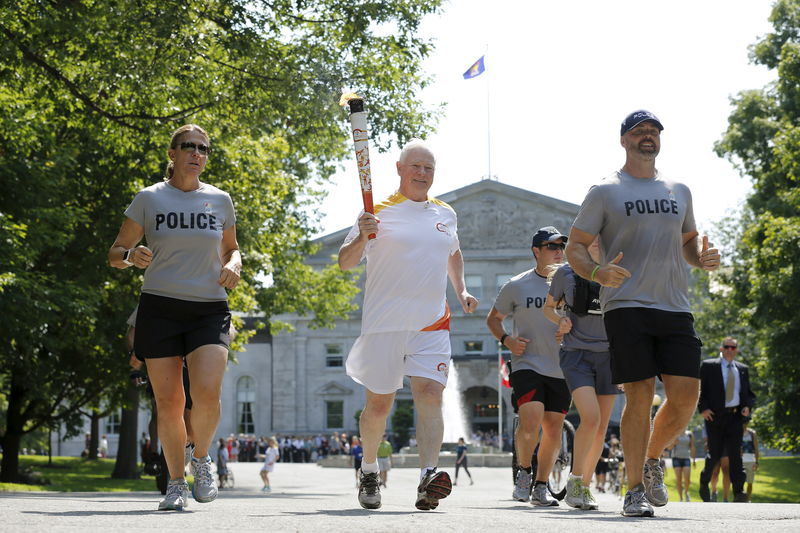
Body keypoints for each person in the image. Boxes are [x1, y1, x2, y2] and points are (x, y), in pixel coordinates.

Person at [565, 110, 721, 517]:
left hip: (674, 304)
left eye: (653, 131)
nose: (647, 137)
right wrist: (597, 272)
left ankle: (651, 460)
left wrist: (700, 258)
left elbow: (688, 241)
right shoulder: (605, 191)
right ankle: (634, 490)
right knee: (638, 396)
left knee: (686, 397)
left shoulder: (679, 190)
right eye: (639, 131)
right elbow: (575, 247)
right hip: (626, 305)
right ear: (624, 140)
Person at [338, 139, 478, 511]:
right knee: (379, 407)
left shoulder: (446, 213)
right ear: (399, 169)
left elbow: (454, 251)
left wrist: (461, 288)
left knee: (431, 395)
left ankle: (427, 476)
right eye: (415, 166)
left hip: (432, 322)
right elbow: (344, 262)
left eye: (428, 168)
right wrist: (363, 234)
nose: (421, 173)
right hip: (384, 324)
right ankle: (369, 469)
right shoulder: (377, 211)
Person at [108, 124, 241, 511]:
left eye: (204, 148)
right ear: (173, 153)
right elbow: (116, 252)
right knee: (169, 403)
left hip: (209, 308)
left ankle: (201, 458)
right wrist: (131, 256)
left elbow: (233, 249)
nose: (197, 153)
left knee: (207, 395)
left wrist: (234, 264)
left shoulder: (220, 200)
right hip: (161, 307)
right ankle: (175, 484)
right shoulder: (149, 199)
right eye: (189, 146)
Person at [486, 226, 570, 507]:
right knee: (531, 420)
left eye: (561, 247)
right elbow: (493, 320)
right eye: (552, 246)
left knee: (553, 428)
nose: (558, 251)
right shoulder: (516, 284)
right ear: (536, 251)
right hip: (526, 364)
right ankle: (523, 474)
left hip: (561, 366)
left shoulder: (571, 283)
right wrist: (508, 340)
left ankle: (541, 486)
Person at [543, 236, 621, 510]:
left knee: (601, 426)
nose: (598, 241)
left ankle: (584, 487)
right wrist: (561, 320)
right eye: (593, 237)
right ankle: (575, 482)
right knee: (591, 417)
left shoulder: (618, 267)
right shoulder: (566, 272)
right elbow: (548, 307)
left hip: (609, 356)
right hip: (576, 353)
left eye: (603, 235)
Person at [698, 337, 756, 503]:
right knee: (714, 454)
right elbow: (700, 389)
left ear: (736, 350)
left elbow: (749, 394)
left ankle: (739, 491)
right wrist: (703, 408)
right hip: (714, 416)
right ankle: (704, 483)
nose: (730, 349)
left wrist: (747, 407)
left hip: (735, 417)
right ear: (721, 348)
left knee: (735, 455)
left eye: (733, 347)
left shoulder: (742, 369)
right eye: (727, 346)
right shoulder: (709, 366)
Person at [668, 428, 696, 502]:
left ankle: (686, 492)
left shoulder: (689, 434)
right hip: (676, 458)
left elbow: (692, 446)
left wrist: (694, 460)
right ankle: (681, 498)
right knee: (679, 480)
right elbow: (669, 448)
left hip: (686, 458)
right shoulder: (675, 433)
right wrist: (674, 443)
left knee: (687, 479)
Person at [741, 421, 759, 502]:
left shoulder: (752, 433)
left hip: (751, 460)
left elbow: (756, 448)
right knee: (740, 482)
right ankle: (741, 498)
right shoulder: (737, 433)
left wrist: (756, 461)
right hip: (740, 460)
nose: (744, 424)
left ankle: (748, 500)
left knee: (750, 482)